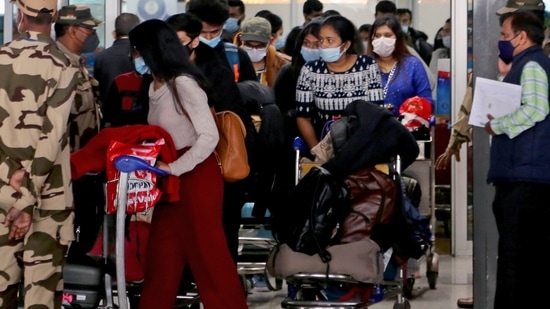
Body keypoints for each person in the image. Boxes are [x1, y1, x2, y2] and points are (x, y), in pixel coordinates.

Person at [128, 19, 248, 309]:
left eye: (138, 50)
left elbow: (208, 136)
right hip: (170, 178)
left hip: (196, 177)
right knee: (162, 256)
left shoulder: (183, 83)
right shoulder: (153, 84)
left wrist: (175, 167)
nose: (134, 57)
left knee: (209, 256)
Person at [0, 1, 79, 308]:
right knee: (42, 297)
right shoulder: (65, 64)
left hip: (4, 193)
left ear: (20, 15)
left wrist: (14, 191)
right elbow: (53, 135)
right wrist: (29, 197)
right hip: (49, 199)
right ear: (55, 17)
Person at [485, 11, 550, 309]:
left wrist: (497, 125)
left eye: (503, 34)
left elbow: (537, 108)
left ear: (521, 36)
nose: (501, 40)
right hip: (522, 175)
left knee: (516, 260)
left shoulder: (533, 64)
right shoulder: (525, 64)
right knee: (523, 260)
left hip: (526, 178)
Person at [54, 5, 106, 259]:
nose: (92, 34)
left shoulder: (77, 63)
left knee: (89, 222)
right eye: (88, 29)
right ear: (72, 29)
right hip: (66, 164)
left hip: (85, 163)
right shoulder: (56, 63)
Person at [295, 15, 384, 150]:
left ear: (346, 45)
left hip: (363, 145)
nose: (323, 45)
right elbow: (303, 117)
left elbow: (375, 112)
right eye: (321, 40)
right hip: (325, 145)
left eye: (329, 41)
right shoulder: (310, 70)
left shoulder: (367, 65)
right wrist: (318, 150)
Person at [367, 14, 434, 116]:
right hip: (370, 129)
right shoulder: (364, 66)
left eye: (388, 35)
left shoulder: (412, 64)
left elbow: (427, 102)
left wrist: (410, 112)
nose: (382, 40)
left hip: (405, 129)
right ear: (372, 38)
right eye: (377, 36)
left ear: (397, 38)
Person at [187, 0, 257, 83]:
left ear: (223, 25)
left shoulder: (237, 56)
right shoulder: (179, 56)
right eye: (202, 32)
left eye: (214, 31)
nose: (208, 37)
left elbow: (252, 92)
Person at [94, 12, 140, 109]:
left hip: (109, 116)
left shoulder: (101, 57)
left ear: (114, 34)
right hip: (138, 115)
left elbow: (97, 90)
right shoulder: (143, 56)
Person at [234, 16, 288, 86]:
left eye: (260, 46)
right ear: (241, 40)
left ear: (270, 41)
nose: (254, 50)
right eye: (249, 45)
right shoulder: (232, 60)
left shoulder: (281, 64)